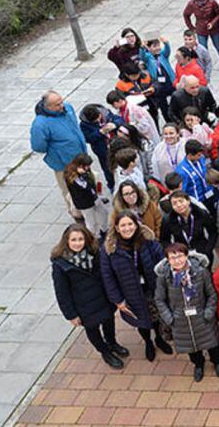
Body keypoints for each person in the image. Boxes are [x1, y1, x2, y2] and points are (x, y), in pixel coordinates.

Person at [51, 224, 127, 369]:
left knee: (109, 322)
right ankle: (105, 352)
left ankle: (112, 343)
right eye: (73, 240)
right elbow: (61, 293)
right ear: (66, 241)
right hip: (83, 306)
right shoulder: (60, 264)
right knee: (93, 330)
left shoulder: (95, 253)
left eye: (81, 239)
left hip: (103, 298)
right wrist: (71, 315)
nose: (77, 243)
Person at [100, 211, 173, 361]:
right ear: (117, 228)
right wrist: (117, 300)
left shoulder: (148, 241)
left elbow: (162, 262)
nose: (127, 228)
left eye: (130, 224)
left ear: (136, 225)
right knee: (141, 319)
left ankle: (159, 338)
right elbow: (107, 276)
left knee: (157, 316)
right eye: (123, 225)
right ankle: (148, 342)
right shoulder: (109, 249)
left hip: (152, 287)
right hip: (130, 291)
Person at [154, 242, 219, 381]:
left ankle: (218, 362)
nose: (177, 260)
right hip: (180, 321)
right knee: (191, 348)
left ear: (187, 255)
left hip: (202, 318)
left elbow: (211, 294)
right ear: (167, 260)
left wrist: (208, 313)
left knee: (213, 344)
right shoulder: (164, 278)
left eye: (180, 256)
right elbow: (160, 300)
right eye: (173, 257)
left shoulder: (201, 272)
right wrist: (170, 319)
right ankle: (198, 364)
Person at [31, 91, 90, 220]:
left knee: (87, 182)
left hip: (81, 158)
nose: (62, 106)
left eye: (61, 101)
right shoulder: (40, 124)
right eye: (57, 104)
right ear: (48, 107)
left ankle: (89, 205)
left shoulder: (67, 108)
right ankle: (78, 215)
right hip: (64, 163)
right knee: (70, 190)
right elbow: (38, 146)